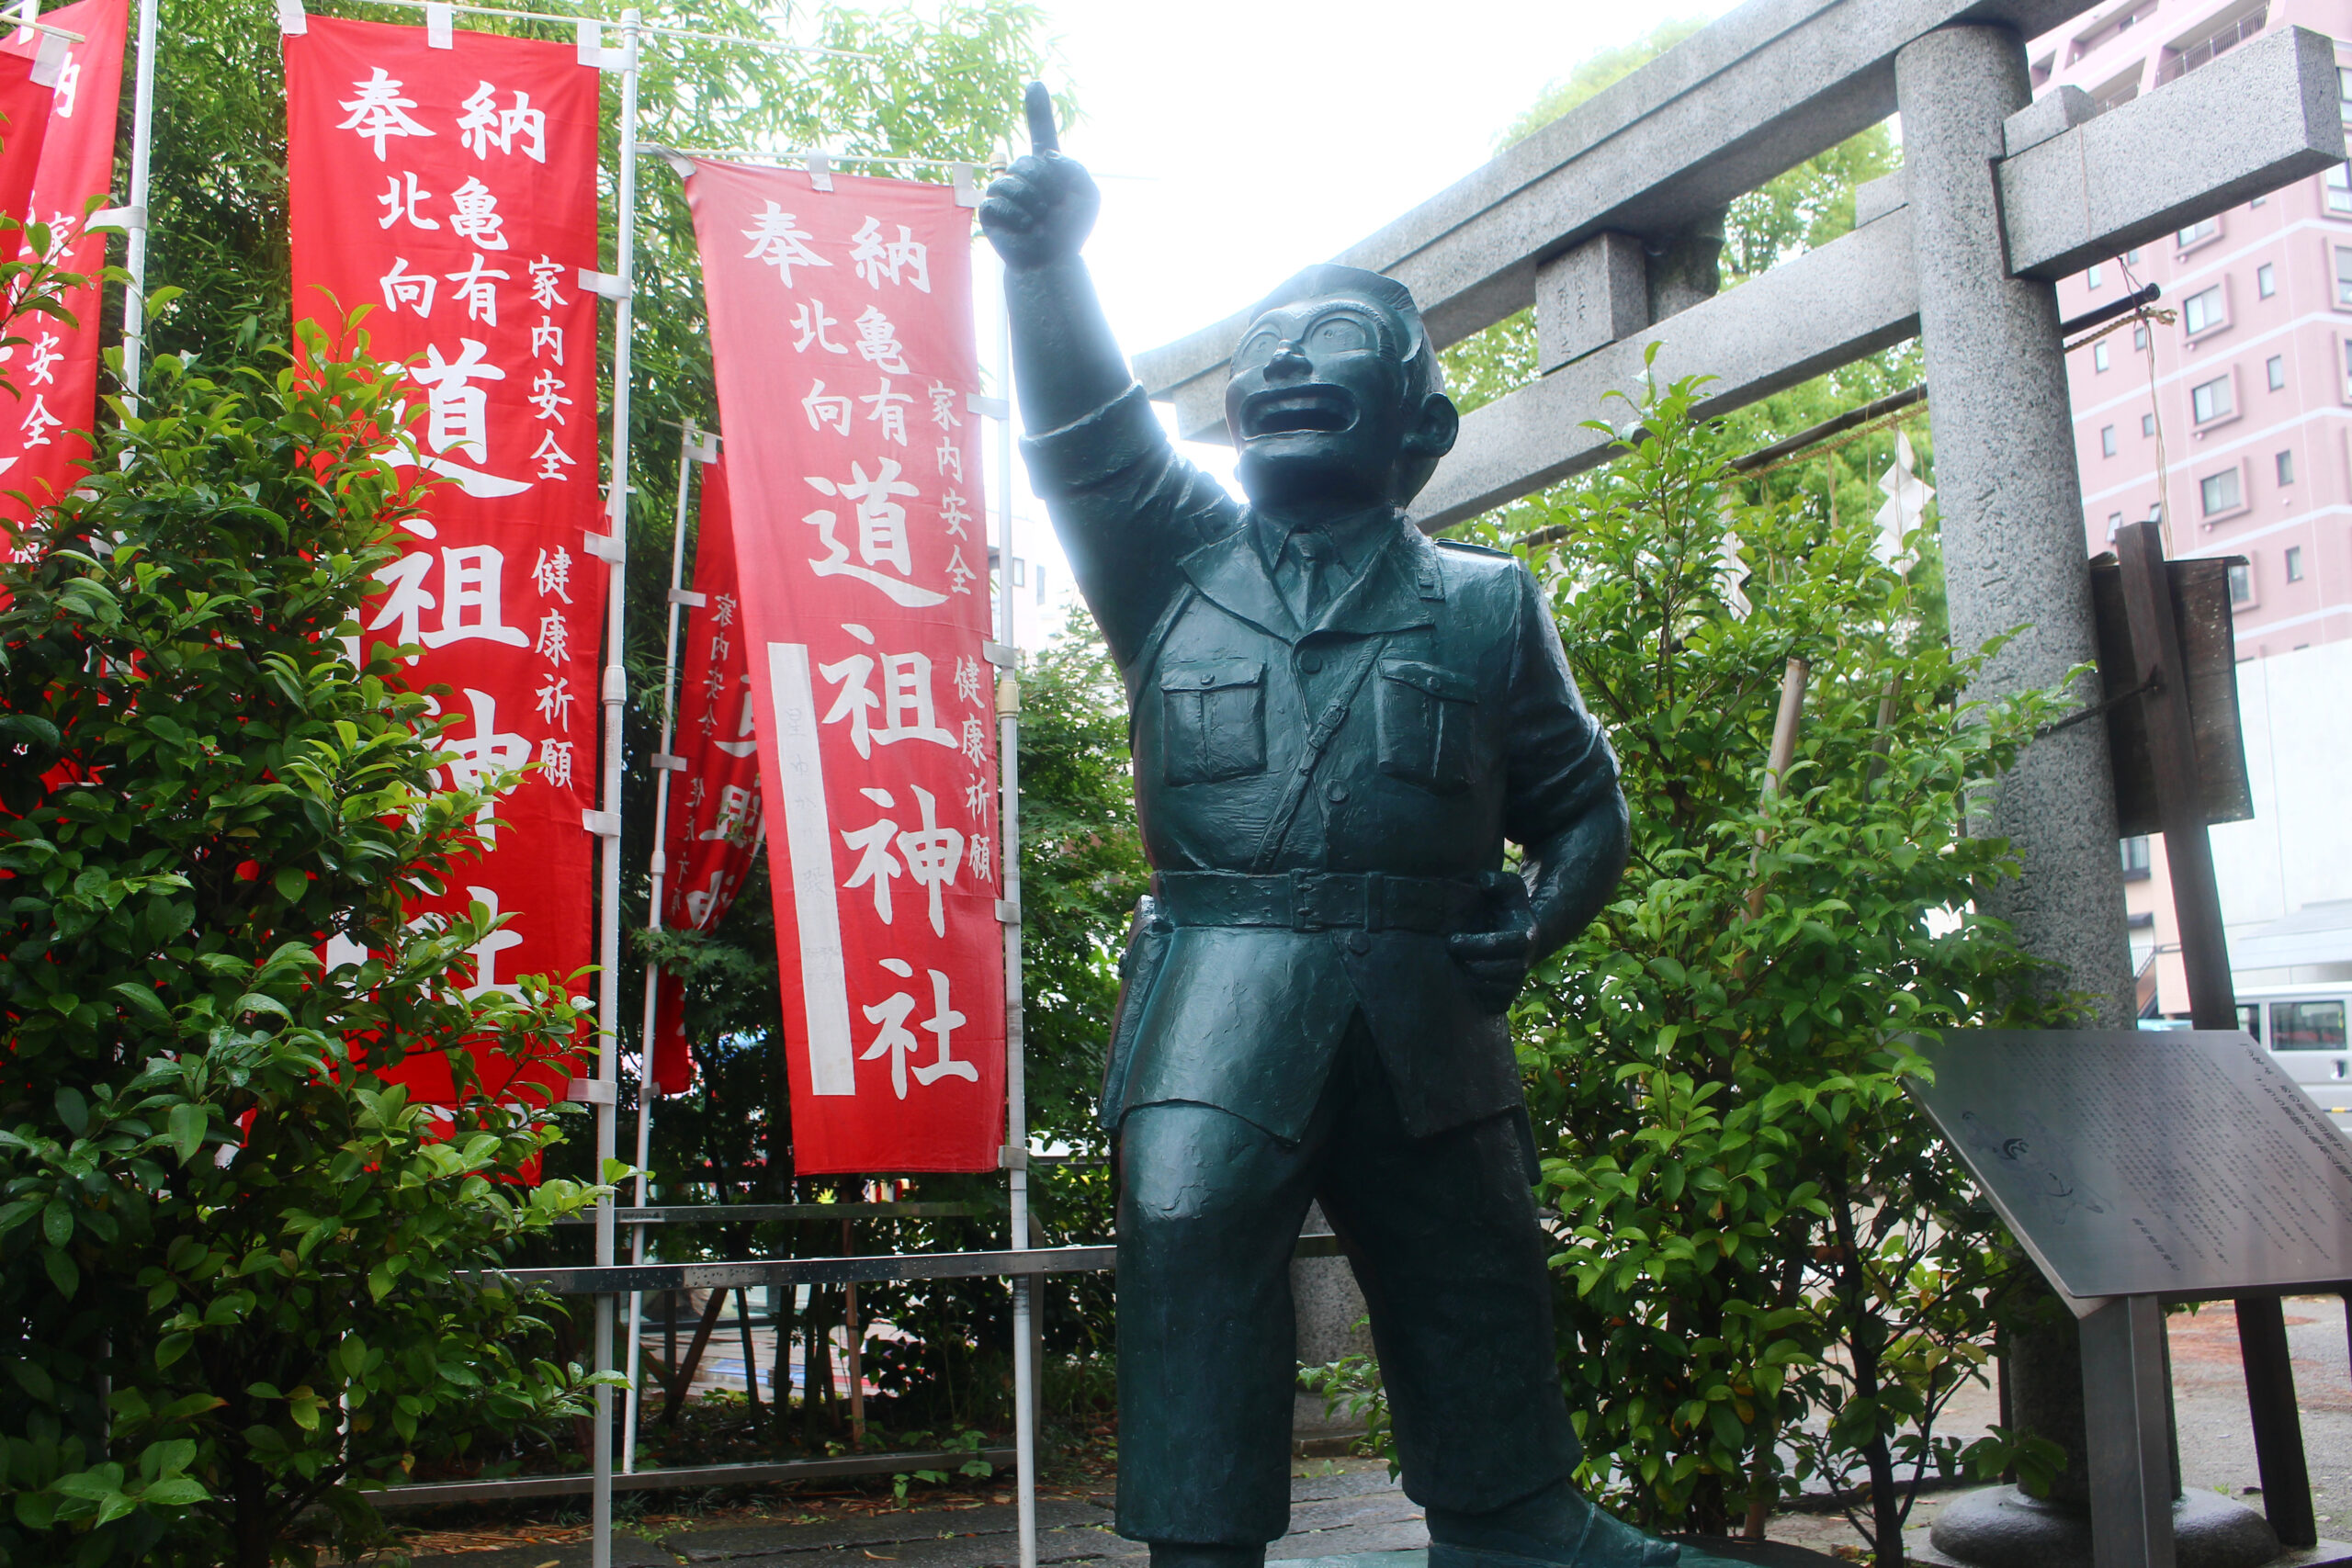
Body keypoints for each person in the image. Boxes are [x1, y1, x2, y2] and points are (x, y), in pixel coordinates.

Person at [981, 90, 1716, 1568]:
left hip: (1423, 994)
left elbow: (1586, 808)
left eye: (1336, 353)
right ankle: (1200, 1549)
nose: (1291, 367)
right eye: (1265, 354)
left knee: (1470, 1251)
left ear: (1420, 425)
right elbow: (1084, 434)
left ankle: (1517, 1528)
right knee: (1189, 1232)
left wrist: (1540, 911)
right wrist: (1050, 265)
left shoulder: (1487, 603)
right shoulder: (1170, 565)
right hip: (1221, 989)